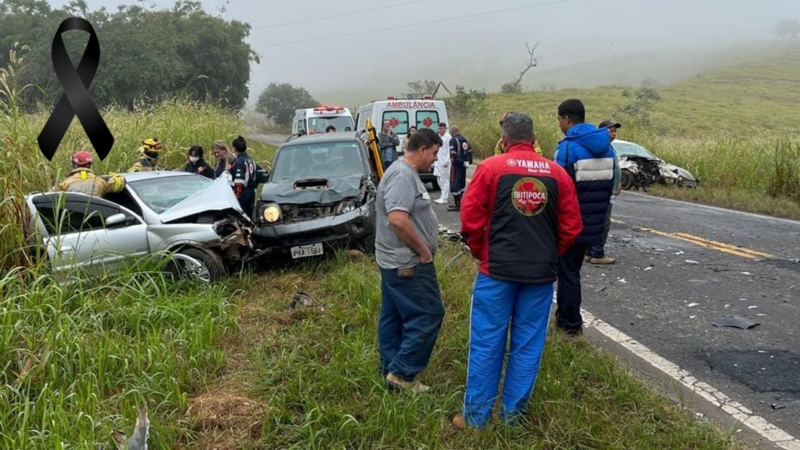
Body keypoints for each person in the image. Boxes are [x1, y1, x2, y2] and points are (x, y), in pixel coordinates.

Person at [453, 112, 582, 430]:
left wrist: (482, 253)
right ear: (534, 138)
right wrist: (550, 255)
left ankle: (476, 419)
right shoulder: (557, 174)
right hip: (540, 276)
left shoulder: (490, 168)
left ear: (505, 139)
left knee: (486, 342)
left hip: (496, 272)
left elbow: (470, 220)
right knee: (528, 345)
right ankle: (512, 417)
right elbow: (571, 227)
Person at [375, 127, 445, 393]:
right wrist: (424, 252)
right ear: (423, 149)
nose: (436, 159)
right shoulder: (403, 176)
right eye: (435, 153)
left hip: (395, 260)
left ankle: (390, 367)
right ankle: (403, 375)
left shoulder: (402, 172)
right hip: (408, 263)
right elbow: (397, 219)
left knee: (392, 315)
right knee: (429, 313)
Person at [552, 99, 616, 336]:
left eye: (559, 120)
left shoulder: (567, 148)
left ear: (567, 119)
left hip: (570, 222)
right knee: (572, 270)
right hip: (594, 221)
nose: (559, 125)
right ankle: (563, 318)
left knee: (567, 273)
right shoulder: (608, 147)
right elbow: (610, 184)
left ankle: (571, 325)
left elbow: (558, 188)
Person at [585, 120, 623, 265]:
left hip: (605, 190)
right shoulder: (602, 148)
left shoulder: (608, 147)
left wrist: (618, 184)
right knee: (603, 222)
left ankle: (590, 251)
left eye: (615, 131)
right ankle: (597, 253)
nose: (613, 134)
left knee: (596, 221)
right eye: (610, 131)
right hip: (604, 191)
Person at [57, 151, 126, 197]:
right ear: (90, 164)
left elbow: (50, 196)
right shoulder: (101, 182)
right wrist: (113, 176)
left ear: (74, 164)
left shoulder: (65, 184)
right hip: (95, 216)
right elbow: (120, 183)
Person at [230, 135, 258, 219]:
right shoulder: (251, 160)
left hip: (243, 193)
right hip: (252, 192)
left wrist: (236, 197)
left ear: (234, 149)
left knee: (241, 217)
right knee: (250, 215)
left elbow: (239, 182)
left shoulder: (239, 162)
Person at [447, 125, 473, 211]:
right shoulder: (466, 139)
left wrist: (458, 161)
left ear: (452, 132)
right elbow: (470, 151)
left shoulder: (453, 140)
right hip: (464, 165)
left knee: (454, 183)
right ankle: (461, 202)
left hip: (456, 165)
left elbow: (453, 154)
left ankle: (457, 204)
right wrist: (468, 162)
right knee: (462, 182)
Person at [433, 122, 451, 204]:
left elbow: (449, 150)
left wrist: (447, 161)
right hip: (438, 161)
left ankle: (444, 197)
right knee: (438, 178)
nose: (440, 130)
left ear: (445, 128)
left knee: (444, 179)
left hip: (445, 162)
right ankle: (442, 195)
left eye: (441, 128)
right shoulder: (439, 137)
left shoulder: (448, 138)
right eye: (439, 128)